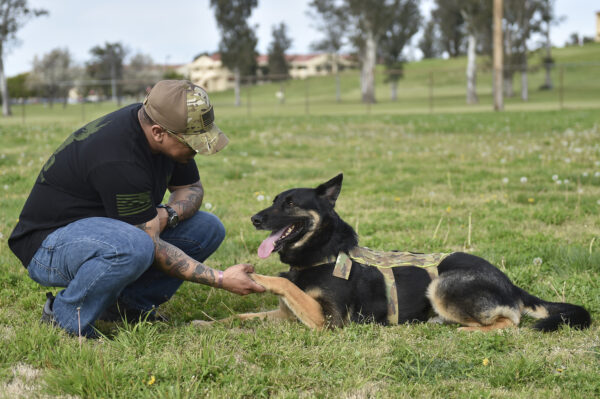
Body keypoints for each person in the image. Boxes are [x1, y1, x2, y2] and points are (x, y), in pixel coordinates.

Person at [8, 80, 265, 338]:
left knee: (207, 228)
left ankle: (126, 306)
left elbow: (191, 188)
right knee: (134, 246)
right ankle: (64, 317)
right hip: (49, 244)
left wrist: (168, 214)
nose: (198, 149)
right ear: (157, 132)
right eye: (192, 142)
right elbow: (149, 243)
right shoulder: (119, 157)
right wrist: (221, 279)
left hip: (110, 232)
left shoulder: (163, 127)